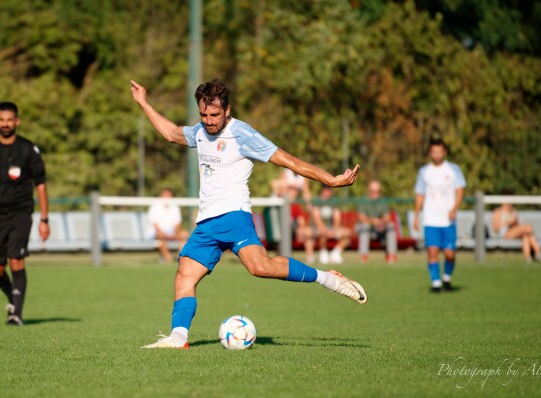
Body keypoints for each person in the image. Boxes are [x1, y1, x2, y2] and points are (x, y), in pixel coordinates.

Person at [131, 78, 366, 349]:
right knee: (184, 275)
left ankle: (327, 278)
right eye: (204, 115)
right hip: (206, 222)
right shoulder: (200, 131)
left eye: (215, 115)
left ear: (227, 110)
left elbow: (289, 160)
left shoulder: (243, 135)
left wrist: (330, 180)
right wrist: (144, 103)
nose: (209, 121)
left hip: (233, 216)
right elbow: (171, 133)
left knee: (261, 268)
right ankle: (178, 338)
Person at [0, 101, 50, 326]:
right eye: (2, 120)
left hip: (20, 212)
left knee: (16, 260)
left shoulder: (28, 149)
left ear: (17, 121)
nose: (6, 124)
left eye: (10, 120)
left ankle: (16, 312)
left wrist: (44, 219)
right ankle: (12, 295)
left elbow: (41, 186)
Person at [413, 139, 465, 293]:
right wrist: (417, 215)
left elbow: (460, 191)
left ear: (444, 153)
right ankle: (436, 282)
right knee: (432, 251)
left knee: (450, 254)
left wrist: (454, 208)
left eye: (439, 151)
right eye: (433, 151)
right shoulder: (424, 171)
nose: (436, 155)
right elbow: (420, 194)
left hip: (448, 219)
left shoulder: (453, 169)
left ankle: (447, 277)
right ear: (430, 153)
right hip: (430, 218)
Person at [491, 192, 541, 263]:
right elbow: (496, 228)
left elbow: (517, 226)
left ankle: (528, 258)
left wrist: (513, 223)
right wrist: (508, 223)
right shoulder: (498, 211)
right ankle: (538, 252)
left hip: (514, 232)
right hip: (504, 236)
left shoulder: (514, 211)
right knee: (528, 227)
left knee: (526, 235)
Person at [357, 179, 398, 264]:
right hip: (368, 230)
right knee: (365, 226)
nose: (375, 193)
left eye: (377, 191)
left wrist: (381, 222)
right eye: (373, 191)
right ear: (369, 190)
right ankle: (363, 256)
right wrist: (373, 221)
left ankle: (391, 256)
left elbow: (387, 217)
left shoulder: (383, 201)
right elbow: (362, 218)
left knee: (390, 225)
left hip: (380, 230)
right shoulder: (363, 201)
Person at [312, 185, 353, 265]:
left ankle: (335, 253)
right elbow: (317, 219)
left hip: (331, 228)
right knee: (322, 234)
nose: (327, 193)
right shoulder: (317, 202)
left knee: (348, 233)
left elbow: (337, 217)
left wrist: (334, 230)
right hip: (319, 228)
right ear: (322, 191)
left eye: (329, 191)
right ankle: (323, 253)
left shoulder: (333, 202)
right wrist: (325, 230)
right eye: (326, 191)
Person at [148, 188, 189, 263]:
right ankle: (168, 258)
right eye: (165, 195)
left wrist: (174, 233)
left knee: (184, 235)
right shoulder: (155, 206)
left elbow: (177, 223)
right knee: (159, 236)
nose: (166, 198)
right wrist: (165, 234)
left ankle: (180, 258)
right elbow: (155, 224)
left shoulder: (174, 206)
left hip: (171, 232)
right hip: (158, 233)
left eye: (168, 196)